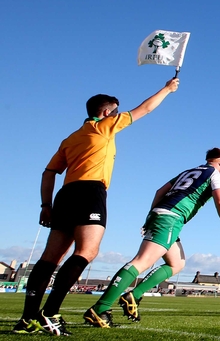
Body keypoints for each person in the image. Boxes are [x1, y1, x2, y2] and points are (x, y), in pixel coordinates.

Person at [12, 78, 180, 336]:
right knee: (87, 251)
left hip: (64, 195)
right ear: (105, 113)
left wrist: (45, 205)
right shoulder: (104, 127)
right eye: (114, 111)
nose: (117, 115)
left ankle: (28, 318)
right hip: (90, 192)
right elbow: (144, 109)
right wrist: (168, 89)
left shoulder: (71, 138)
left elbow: (49, 172)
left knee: (50, 257)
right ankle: (50, 313)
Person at [83, 148, 220, 327]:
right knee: (141, 261)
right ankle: (100, 308)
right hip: (171, 217)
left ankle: (134, 295)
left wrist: (151, 215)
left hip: (162, 213)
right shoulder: (216, 175)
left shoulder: (188, 172)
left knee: (177, 263)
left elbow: (159, 191)